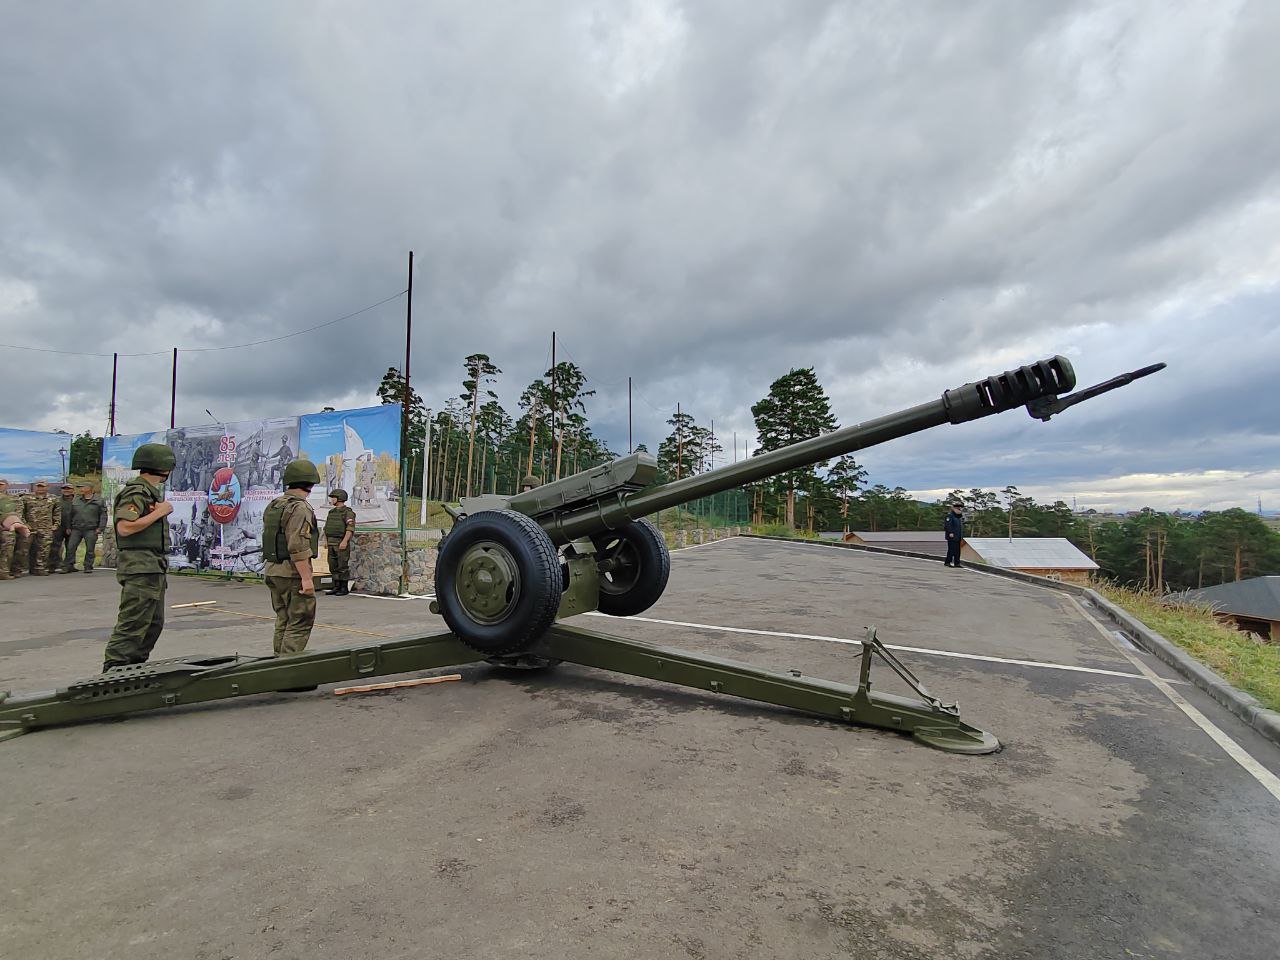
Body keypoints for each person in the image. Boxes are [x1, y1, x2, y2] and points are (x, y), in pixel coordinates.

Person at [103, 443, 176, 672]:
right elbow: (125, 528)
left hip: (152, 566)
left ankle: (132, 670)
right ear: (164, 467)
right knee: (133, 623)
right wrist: (160, 512)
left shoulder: (149, 492)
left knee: (152, 624)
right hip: (140, 567)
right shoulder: (137, 492)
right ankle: (114, 671)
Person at [262, 459, 320, 658]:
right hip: (292, 574)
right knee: (299, 622)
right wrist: (306, 578)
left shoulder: (275, 504)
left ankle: (278, 663)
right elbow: (298, 546)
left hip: (273, 570)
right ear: (311, 482)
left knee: (284, 620)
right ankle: (287, 672)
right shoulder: (300, 508)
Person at [63, 482, 108, 573]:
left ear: (89, 488)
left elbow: (103, 515)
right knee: (71, 547)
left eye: (82, 487)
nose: (81, 489)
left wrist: (101, 527)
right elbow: (69, 514)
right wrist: (68, 527)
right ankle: (68, 565)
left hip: (91, 528)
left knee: (90, 548)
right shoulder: (76, 500)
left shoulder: (99, 500)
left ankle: (88, 565)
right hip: (76, 528)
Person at [18, 481, 57, 576]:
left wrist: (56, 524)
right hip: (30, 528)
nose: (40, 488)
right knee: (23, 549)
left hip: (46, 528)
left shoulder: (53, 498)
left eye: (43, 486)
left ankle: (40, 568)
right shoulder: (26, 498)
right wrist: (24, 524)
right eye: (38, 486)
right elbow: (20, 512)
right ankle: (18, 569)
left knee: (44, 549)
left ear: (47, 487)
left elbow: (57, 512)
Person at [323, 487, 356, 596]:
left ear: (339, 499)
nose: (331, 500)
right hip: (331, 542)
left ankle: (343, 587)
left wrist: (345, 541)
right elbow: (327, 528)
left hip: (340, 542)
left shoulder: (347, 512)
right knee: (333, 565)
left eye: (333, 498)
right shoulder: (331, 512)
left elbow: (350, 528)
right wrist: (326, 540)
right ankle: (336, 586)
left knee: (342, 565)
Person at [0, 480, 32, 582]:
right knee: (8, 538)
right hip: (4, 527)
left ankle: (16, 569)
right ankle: (3, 572)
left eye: (1, 484)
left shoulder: (14, 499)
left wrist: (22, 525)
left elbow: (19, 514)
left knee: (24, 539)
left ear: (7, 486)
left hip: (11, 526)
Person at [49, 484, 75, 571]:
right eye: (64, 489)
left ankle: (69, 565)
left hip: (72, 526)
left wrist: (70, 527)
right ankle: (53, 565)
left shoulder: (77, 500)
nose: (66, 490)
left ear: (73, 490)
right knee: (55, 546)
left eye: (68, 489)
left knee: (71, 547)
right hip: (58, 527)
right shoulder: (56, 500)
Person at [943, 501, 965, 568]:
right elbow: (947, 525)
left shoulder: (958, 517)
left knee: (957, 551)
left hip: (958, 536)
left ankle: (957, 563)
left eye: (960, 508)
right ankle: (947, 562)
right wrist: (950, 532)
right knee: (951, 550)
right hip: (952, 536)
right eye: (958, 507)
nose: (959, 509)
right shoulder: (950, 515)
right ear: (954, 508)